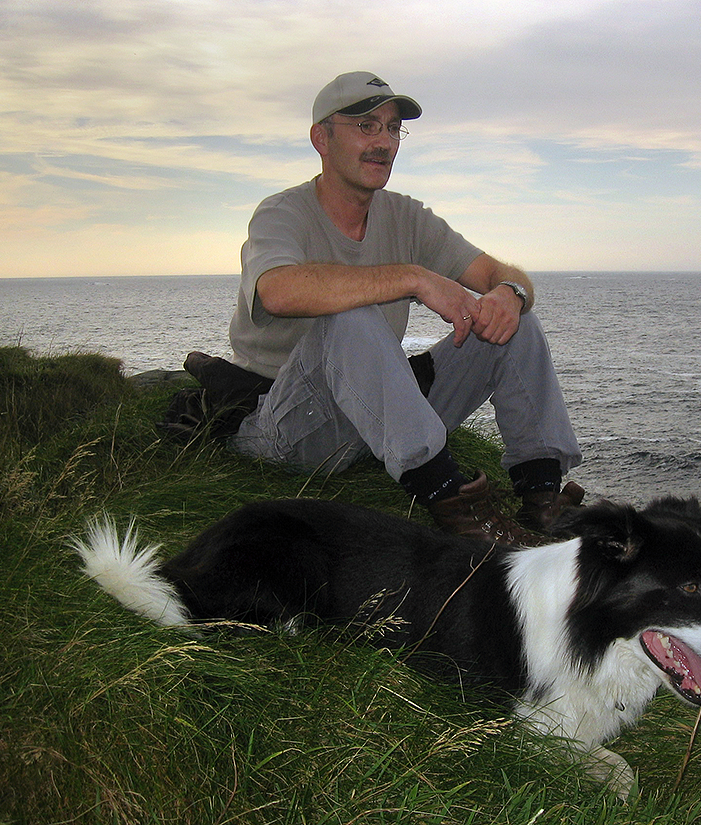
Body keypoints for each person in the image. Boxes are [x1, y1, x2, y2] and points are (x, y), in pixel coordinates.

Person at [224, 71, 583, 544]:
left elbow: (503, 274)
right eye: (366, 126)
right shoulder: (280, 214)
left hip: (376, 418)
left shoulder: (406, 216)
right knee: (350, 315)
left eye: (393, 129)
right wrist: (413, 277)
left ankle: (542, 500)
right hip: (290, 425)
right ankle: (452, 503)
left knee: (516, 322)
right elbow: (277, 290)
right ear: (321, 138)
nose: (384, 143)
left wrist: (507, 295)